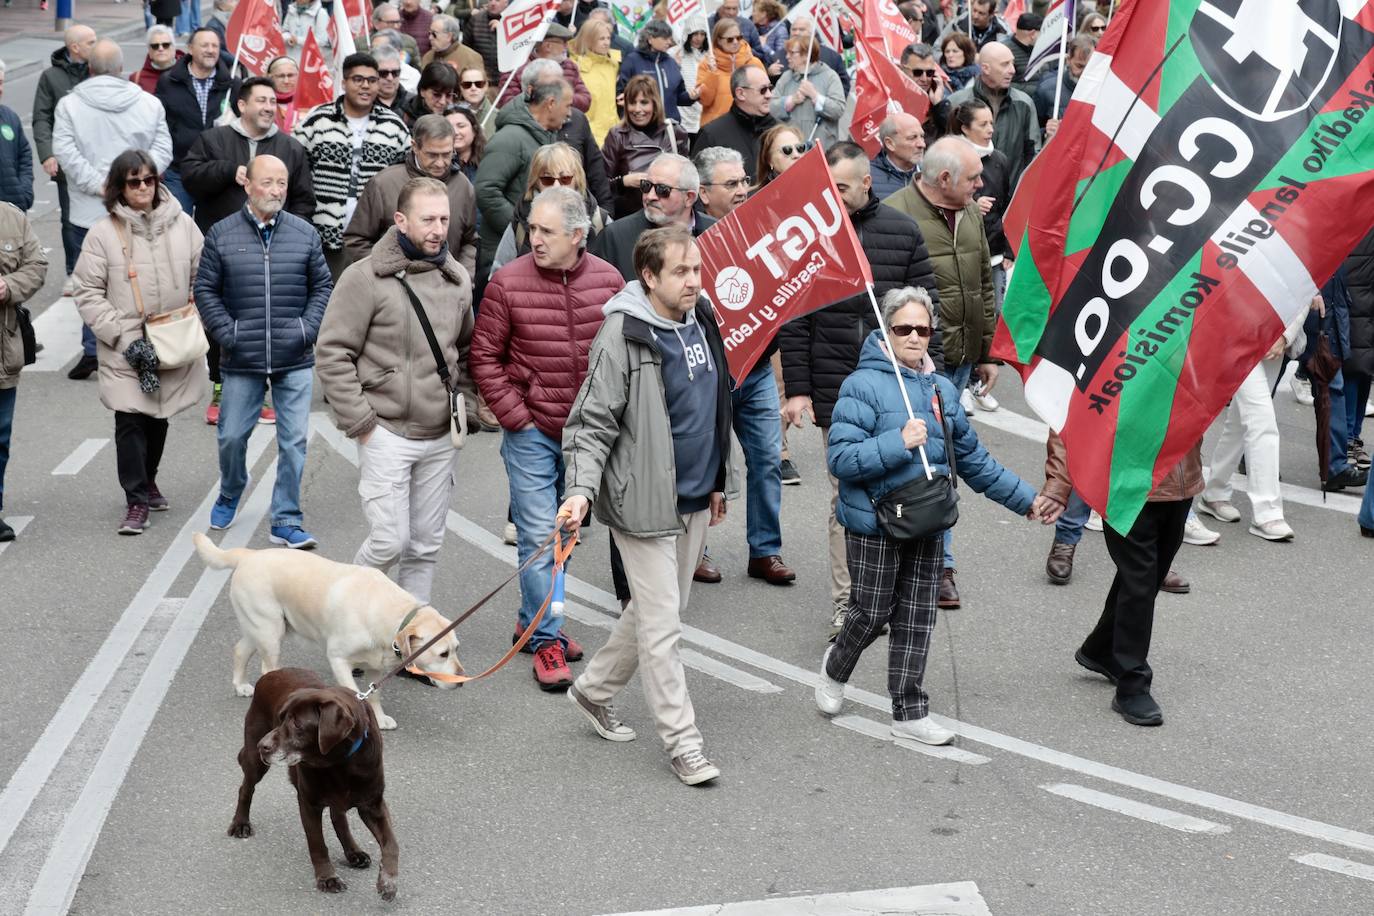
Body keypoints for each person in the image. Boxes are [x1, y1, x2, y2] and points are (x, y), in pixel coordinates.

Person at [816, 286, 1053, 744]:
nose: (914, 338)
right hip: (875, 521)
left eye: (922, 330)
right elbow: (840, 460)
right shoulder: (861, 385)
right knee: (870, 612)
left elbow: (975, 461)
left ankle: (908, 711)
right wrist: (897, 441)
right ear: (886, 331)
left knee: (918, 614)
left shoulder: (942, 390)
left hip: (928, 517)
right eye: (903, 328)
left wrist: (1027, 500)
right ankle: (835, 665)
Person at [560, 225, 735, 786]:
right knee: (663, 627)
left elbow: (714, 402)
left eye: (697, 270)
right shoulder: (623, 334)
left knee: (656, 610)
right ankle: (683, 744)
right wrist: (580, 491)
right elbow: (591, 421)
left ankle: (592, 690)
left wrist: (718, 480)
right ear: (649, 277)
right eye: (680, 272)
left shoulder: (703, 317)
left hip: (693, 496)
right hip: (641, 500)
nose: (693, 281)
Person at [780, 142, 942, 638]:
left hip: (894, 386)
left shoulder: (902, 231)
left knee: (900, 488)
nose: (834, 195)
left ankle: (889, 588)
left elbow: (927, 304)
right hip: (834, 386)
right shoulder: (811, 236)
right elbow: (795, 317)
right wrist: (799, 390)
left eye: (843, 187)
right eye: (829, 187)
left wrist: (922, 358)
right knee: (845, 497)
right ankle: (848, 602)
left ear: (867, 182)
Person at [470, 185, 624, 689]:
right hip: (532, 433)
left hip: (587, 439)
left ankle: (533, 617)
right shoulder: (508, 284)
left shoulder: (609, 282)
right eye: (531, 228)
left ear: (578, 235)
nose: (533, 238)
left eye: (546, 231)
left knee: (566, 536)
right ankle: (548, 640)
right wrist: (518, 417)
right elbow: (484, 359)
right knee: (541, 538)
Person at [316, 176, 475, 604]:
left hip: (441, 437)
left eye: (444, 219)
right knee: (389, 541)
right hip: (385, 431)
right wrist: (364, 424)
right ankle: (344, 607)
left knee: (424, 547)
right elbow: (332, 353)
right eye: (428, 219)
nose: (438, 229)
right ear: (401, 221)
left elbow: (466, 350)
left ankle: (411, 643)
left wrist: (467, 407)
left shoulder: (457, 279)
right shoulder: (363, 278)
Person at [194, 155, 332, 548]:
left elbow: (323, 286)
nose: (275, 191)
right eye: (267, 183)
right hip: (242, 356)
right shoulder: (221, 234)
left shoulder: (304, 234)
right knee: (232, 436)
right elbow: (205, 291)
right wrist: (228, 333)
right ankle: (232, 488)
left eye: (281, 183)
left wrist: (307, 328)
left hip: (294, 356)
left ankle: (286, 517)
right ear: (248, 186)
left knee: (293, 441)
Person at [884, 138, 996, 607]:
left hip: (960, 357)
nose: (982, 184)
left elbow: (983, 282)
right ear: (944, 179)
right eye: (973, 177)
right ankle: (911, 562)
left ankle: (938, 565)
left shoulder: (970, 212)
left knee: (946, 461)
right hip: (913, 363)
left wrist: (988, 351)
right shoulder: (895, 214)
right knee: (915, 463)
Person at [73, 152, 205, 535]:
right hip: (124, 346)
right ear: (120, 187)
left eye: (149, 179)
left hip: (171, 340)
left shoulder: (183, 225)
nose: (144, 187)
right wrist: (118, 333)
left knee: (158, 415)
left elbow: (204, 272)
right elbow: (87, 291)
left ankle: (148, 479)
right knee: (130, 417)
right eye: (134, 182)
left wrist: (191, 313)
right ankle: (136, 500)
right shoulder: (102, 234)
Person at [1040, 429, 1202, 727]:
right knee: (1140, 577)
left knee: (1146, 575)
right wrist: (1059, 484)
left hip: (1180, 479)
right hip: (1124, 480)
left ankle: (1101, 648)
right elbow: (1068, 415)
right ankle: (1132, 683)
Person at [182, 76, 317, 424]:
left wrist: (293, 233)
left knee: (270, 322)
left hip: (277, 252)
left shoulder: (289, 147)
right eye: (262, 101)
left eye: (274, 102)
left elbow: (303, 197)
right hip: (226, 250)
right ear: (241, 105)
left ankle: (266, 393)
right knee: (222, 321)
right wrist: (229, 171)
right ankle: (219, 389)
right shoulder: (214, 140)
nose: (270, 107)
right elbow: (191, 178)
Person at [54, 40, 174, 383]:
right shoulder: (148, 103)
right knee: (140, 279)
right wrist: (136, 182)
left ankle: (93, 348)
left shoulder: (70, 105)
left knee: (91, 284)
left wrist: (101, 185)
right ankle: (143, 345)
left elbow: (65, 150)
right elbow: (163, 148)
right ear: (123, 68)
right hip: (139, 207)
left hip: (86, 209)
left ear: (88, 68)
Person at [294, 52, 413, 279]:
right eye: (358, 80)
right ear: (344, 82)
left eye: (372, 80)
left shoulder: (394, 127)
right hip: (323, 235)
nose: (365, 86)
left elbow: (406, 179)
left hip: (375, 238)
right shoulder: (316, 122)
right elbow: (296, 172)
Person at [345, 114, 477, 279]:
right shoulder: (383, 184)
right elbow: (356, 240)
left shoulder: (463, 186)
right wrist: (387, 276)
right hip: (393, 291)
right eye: (432, 155)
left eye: (447, 154)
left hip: (446, 290)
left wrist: (463, 277)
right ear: (414, 146)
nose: (440, 163)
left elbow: (470, 241)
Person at [473, 72, 569, 283]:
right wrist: (521, 230)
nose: (569, 113)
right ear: (551, 103)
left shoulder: (545, 135)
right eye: (567, 105)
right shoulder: (510, 140)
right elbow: (486, 191)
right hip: (502, 253)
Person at [33, 25, 94, 299]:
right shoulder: (51, 77)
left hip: (98, 159)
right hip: (68, 164)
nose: (97, 45)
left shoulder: (98, 72)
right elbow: (41, 117)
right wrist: (47, 154)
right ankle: (74, 272)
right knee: (71, 220)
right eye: (91, 42)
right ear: (75, 47)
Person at [0, 203, 48, 542]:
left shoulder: (11, 218)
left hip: (3, 351)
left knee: (0, 437)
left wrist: (8, 286)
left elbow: (37, 265)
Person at [490, 142, 608, 273]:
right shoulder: (520, 222)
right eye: (547, 179)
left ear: (577, 179)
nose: (556, 186)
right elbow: (498, 275)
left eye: (565, 178)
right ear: (536, 182)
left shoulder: (600, 220)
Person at [155, 29, 237, 214]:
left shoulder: (232, 85)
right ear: (190, 49)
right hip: (179, 171)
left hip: (216, 172)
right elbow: (159, 124)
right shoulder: (169, 81)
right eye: (205, 45)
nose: (210, 50)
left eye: (215, 46)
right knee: (177, 228)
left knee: (212, 232)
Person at [949, 98, 1011, 337]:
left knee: (993, 309)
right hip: (960, 249)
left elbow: (1008, 203)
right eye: (983, 124)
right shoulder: (950, 156)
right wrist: (971, 204)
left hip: (993, 248)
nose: (990, 130)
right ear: (965, 128)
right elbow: (936, 201)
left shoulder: (999, 160)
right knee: (966, 313)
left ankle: (986, 359)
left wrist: (1008, 249)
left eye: (991, 123)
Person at [947, 42, 1043, 185]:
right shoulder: (956, 102)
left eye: (1012, 63)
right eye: (1005, 64)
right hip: (967, 198)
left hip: (1011, 198)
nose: (1012, 70)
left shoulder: (1024, 103)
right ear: (985, 68)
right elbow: (946, 152)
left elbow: (1033, 153)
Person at [601, 76, 688, 219]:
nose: (637, 109)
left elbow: (687, 178)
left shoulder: (675, 132)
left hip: (669, 217)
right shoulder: (617, 135)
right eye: (632, 103)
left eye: (644, 102)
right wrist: (624, 181)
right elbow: (600, 183)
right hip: (630, 217)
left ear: (655, 103)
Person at [690, 65, 778, 181]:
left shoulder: (779, 130)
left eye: (770, 88)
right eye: (763, 90)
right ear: (741, 93)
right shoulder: (712, 135)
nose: (769, 95)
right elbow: (698, 184)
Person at [769, 37, 844, 151]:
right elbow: (770, 107)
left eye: (792, 53)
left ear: (806, 55)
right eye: (787, 52)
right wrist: (791, 100)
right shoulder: (786, 77)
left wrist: (815, 96)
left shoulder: (830, 76)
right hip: (792, 150)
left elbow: (838, 110)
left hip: (823, 149)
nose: (787, 57)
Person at [617, 19, 697, 125]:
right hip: (642, 128)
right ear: (650, 39)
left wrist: (691, 97)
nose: (669, 42)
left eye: (670, 38)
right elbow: (621, 96)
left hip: (670, 128)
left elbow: (678, 97)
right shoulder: (632, 61)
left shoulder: (671, 62)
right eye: (665, 38)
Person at [496, 23, 592, 111]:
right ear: (548, 46)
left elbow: (585, 100)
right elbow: (508, 102)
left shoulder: (569, 66)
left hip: (564, 125)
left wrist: (558, 98)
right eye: (563, 43)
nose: (566, 47)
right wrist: (546, 100)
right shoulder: (515, 68)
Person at [696, 19, 765, 128]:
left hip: (750, 127)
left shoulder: (754, 63)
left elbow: (765, 97)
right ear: (718, 40)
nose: (735, 42)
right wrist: (712, 73)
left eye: (739, 37)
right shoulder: (707, 64)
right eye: (730, 39)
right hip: (716, 130)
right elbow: (705, 101)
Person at [570, 18, 620, 146]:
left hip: (613, 133)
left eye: (608, 38)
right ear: (588, 39)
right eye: (601, 39)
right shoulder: (575, 65)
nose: (606, 43)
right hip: (588, 134)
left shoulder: (613, 65)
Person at [1035, 35, 1094, 125]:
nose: (1084, 72)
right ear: (1068, 60)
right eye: (1079, 66)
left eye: (1090, 67)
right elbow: (1033, 131)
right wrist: (1047, 133)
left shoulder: (1104, 90)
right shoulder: (1046, 90)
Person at [786, 15, 850, 98]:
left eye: (802, 29)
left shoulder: (831, 56)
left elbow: (843, 84)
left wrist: (828, 103)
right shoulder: (779, 57)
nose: (797, 32)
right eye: (794, 29)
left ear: (812, 33)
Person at [0, 60, 34, 213]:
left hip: (15, 212)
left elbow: (24, 154)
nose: (1, 89)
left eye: (1, 83)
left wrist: (24, 192)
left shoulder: (9, 117)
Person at [900, 42, 949, 142]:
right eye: (917, 72)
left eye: (929, 73)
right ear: (903, 69)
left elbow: (955, 136)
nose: (924, 78)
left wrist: (938, 105)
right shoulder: (890, 98)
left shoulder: (940, 101)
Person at [869, 112, 925, 200]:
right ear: (890, 143)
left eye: (922, 136)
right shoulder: (868, 178)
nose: (922, 144)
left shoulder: (931, 175)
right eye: (912, 137)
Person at [693, 145, 748, 219]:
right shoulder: (687, 229)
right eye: (732, 184)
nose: (742, 191)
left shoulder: (760, 220)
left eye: (744, 181)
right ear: (704, 193)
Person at [677, 18, 709, 138]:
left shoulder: (710, 56)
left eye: (702, 34)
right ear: (688, 34)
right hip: (683, 110)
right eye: (695, 33)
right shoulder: (678, 54)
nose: (699, 38)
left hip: (702, 110)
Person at [401, 61, 459, 125]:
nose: (442, 102)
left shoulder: (457, 117)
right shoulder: (402, 117)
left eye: (448, 95)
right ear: (422, 91)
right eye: (436, 95)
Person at [130, 25, 184, 94]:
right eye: (155, 46)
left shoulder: (188, 74)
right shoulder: (136, 79)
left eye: (165, 45)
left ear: (174, 48)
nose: (160, 49)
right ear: (149, 51)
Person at [1000, 12, 1042, 96]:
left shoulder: (1041, 49)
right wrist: (1039, 90)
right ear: (1032, 34)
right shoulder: (1004, 51)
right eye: (1041, 32)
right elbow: (1002, 84)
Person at [464, 0, 504, 88]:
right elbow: (466, 49)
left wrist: (503, 30)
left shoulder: (512, 20)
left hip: (504, 83)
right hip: (480, 82)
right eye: (490, 0)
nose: (493, 3)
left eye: (497, 0)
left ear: (506, 2)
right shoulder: (476, 20)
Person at [940, 0, 1006, 49]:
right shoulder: (958, 24)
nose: (975, 16)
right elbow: (938, 47)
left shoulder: (1002, 32)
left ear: (991, 15)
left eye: (981, 13)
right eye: (974, 10)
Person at [372, 45, 414, 116]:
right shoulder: (363, 104)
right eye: (383, 73)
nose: (390, 78)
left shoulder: (414, 102)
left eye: (395, 72)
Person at [266, 56, 302, 131]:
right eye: (281, 76)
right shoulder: (262, 101)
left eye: (290, 75)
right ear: (270, 77)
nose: (286, 81)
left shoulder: (308, 102)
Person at [752, 0, 788, 68]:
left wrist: (764, 46)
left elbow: (780, 60)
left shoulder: (780, 30)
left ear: (764, 14)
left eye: (754, 11)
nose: (752, 14)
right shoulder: (755, 29)